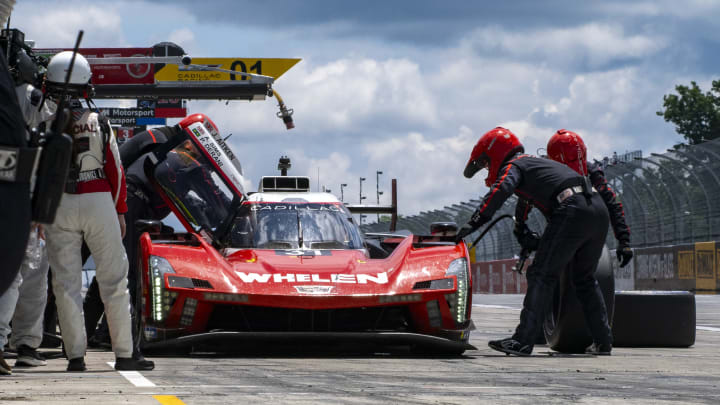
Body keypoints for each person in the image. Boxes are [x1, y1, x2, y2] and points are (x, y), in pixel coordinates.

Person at [455, 127, 613, 356]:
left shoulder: (515, 165)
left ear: (496, 153)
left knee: (541, 274)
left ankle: (522, 340)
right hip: (597, 209)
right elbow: (524, 205)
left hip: (572, 208)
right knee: (584, 279)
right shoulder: (534, 164)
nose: (489, 170)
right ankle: (603, 341)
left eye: (487, 164)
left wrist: (473, 223)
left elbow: (501, 190)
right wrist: (522, 230)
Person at [42, 51, 153, 371]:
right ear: (85, 86)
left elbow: (37, 173)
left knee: (65, 283)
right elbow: (115, 170)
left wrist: (39, 214)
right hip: (98, 199)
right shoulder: (99, 122)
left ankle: (75, 357)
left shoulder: (44, 125)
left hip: (59, 205)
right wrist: (120, 211)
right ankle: (125, 354)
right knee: (114, 279)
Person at [84, 125, 177, 356]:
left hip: (107, 200)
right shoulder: (160, 144)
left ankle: (86, 333)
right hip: (124, 202)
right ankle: (107, 334)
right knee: (126, 271)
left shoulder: (156, 141)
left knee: (109, 272)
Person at [546, 129, 632, 267]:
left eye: (576, 158)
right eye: (570, 159)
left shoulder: (593, 173)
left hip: (586, 230)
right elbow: (526, 200)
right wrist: (520, 228)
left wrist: (624, 241)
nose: (573, 163)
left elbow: (612, 203)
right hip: (557, 229)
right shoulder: (546, 173)